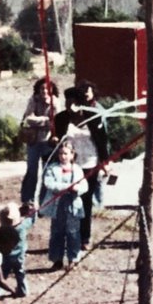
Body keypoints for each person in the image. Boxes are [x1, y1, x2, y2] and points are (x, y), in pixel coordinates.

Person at [54, 83, 110, 251]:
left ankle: (84, 237)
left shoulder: (93, 117)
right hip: (69, 165)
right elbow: (57, 140)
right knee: (67, 201)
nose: (69, 106)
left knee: (85, 202)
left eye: (72, 102)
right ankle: (68, 236)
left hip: (90, 163)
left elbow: (102, 141)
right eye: (67, 102)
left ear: (80, 103)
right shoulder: (61, 118)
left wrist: (105, 163)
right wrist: (54, 141)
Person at [40, 141, 89, 270]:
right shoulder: (52, 168)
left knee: (73, 232)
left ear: (72, 155)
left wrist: (77, 188)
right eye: (61, 153)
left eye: (66, 153)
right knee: (57, 232)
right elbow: (49, 183)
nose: (63, 156)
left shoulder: (77, 169)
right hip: (58, 206)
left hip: (73, 206)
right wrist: (66, 187)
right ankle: (57, 260)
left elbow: (84, 186)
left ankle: (73, 259)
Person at [20, 78, 59, 205]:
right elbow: (28, 118)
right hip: (33, 140)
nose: (45, 91)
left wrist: (39, 120)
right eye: (42, 88)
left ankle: (44, 201)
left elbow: (56, 121)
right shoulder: (34, 100)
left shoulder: (55, 102)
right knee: (32, 171)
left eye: (47, 88)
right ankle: (27, 200)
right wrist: (46, 120)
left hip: (48, 141)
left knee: (47, 172)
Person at [0, 202, 36, 298]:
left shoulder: (3, 229)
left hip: (6, 256)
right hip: (19, 256)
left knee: (3, 274)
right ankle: (23, 290)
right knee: (20, 273)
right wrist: (33, 212)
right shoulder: (22, 226)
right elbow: (31, 220)